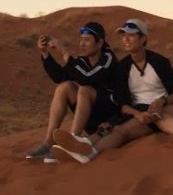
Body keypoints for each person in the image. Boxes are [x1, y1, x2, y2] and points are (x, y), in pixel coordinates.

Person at [50, 17, 173, 163]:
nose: (126, 39)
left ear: (143, 38)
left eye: (131, 35)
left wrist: (161, 101)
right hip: (136, 112)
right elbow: (123, 104)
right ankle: (77, 147)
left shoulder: (159, 62)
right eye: (124, 35)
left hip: (157, 112)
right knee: (107, 128)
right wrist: (136, 114)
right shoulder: (123, 67)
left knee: (120, 131)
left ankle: (88, 155)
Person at [26, 21, 118, 162]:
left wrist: (64, 52)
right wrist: (45, 54)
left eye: (87, 40)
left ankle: (71, 142)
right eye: (81, 39)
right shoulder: (83, 61)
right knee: (64, 87)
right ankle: (49, 142)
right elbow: (60, 77)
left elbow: (87, 77)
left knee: (84, 90)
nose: (82, 44)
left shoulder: (108, 58)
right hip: (92, 118)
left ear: (99, 43)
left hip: (109, 120)